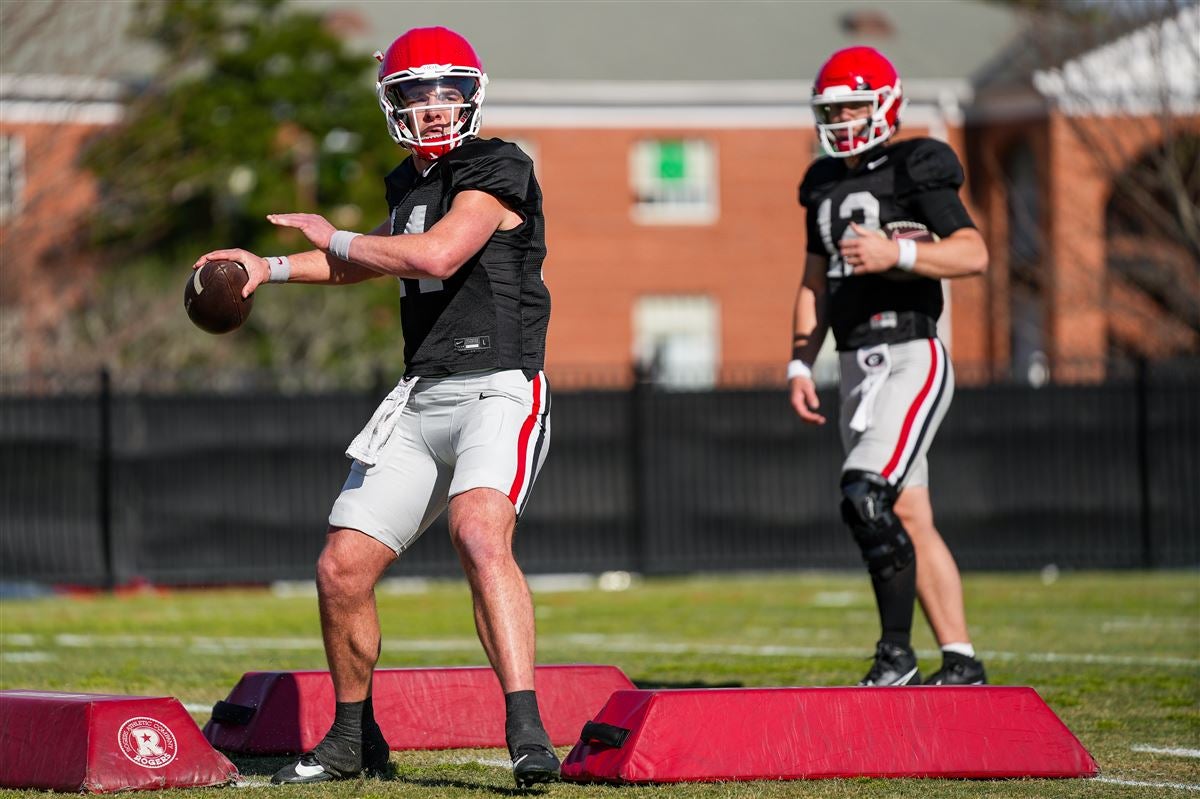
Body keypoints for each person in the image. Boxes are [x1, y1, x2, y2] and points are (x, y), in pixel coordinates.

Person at [193, 27, 559, 787]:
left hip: (500, 387)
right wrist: (270, 267)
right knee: (341, 566)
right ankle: (354, 737)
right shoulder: (408, 185)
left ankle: (526, 727)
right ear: (392, 105)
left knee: (478, 532)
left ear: (472, 93)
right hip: (423, 393)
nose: (433, 106)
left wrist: (341, 233)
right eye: (416, 93)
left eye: (447, 90)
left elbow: (437, 255)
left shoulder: (499, 165)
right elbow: (373, 258)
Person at [789, 46, 989, 687]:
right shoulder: (820, 182)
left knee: (865, 494)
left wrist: (897, 254)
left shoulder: (916, 163)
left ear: (885, 104)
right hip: (852, 365)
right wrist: (799, 362)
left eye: (853, 104)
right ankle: (960, 660)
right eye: (833, 109)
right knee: (908, 514)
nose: (843, 119)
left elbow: (973, 253)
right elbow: (813, 280)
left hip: (910, 352)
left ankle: (896, 654)